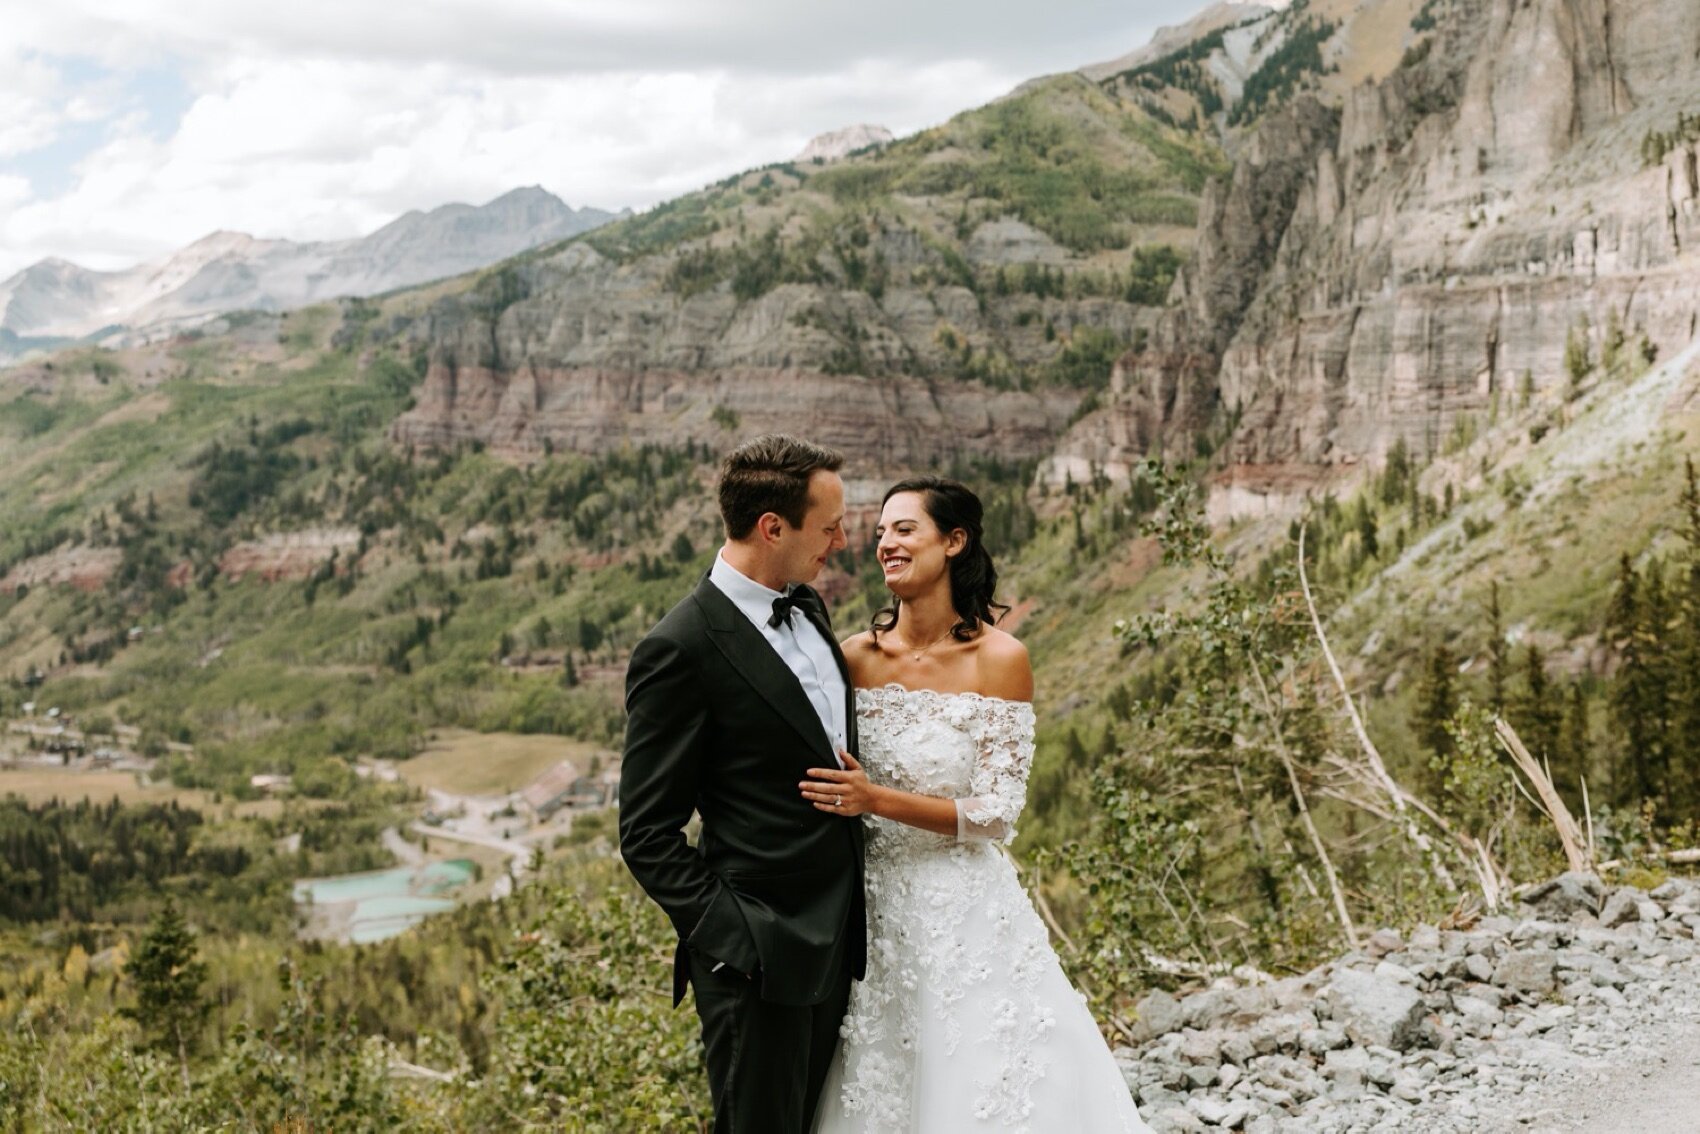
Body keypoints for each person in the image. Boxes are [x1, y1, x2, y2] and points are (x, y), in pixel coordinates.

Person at [803, 476, 1152, 1133]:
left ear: (954, 541)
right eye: (880, 532)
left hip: (966, 910)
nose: (886, 543)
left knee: (984, 1075)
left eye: (904, 529)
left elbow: (997, 814)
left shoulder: (1000, 658)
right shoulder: (852, 657)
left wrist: (876, 799)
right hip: (870, 912)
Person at [620, 434, 866, 1134]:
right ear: (772, 527)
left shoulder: (810, 607)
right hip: (758, 960)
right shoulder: (680, 648)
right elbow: (645, 834)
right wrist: (739, 940)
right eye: (829, 527)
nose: (843, 542)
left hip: (839, 944)